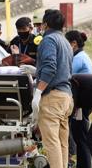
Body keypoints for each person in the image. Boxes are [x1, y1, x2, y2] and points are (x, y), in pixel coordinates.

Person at [32, 9, 74, 168]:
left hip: (53, 98)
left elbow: (50, 67)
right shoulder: (64, 41)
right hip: (66, 97)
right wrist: (36, 71)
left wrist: (38, 92)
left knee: (51, 143)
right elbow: (63, 68)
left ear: (45, 24)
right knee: (62, 142)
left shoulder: (48, 40)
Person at [65, 30, 92, 168]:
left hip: (82, 103)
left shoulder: (79, 58)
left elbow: (65, 75)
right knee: (79, 135)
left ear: (74, 44)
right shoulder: (81, 56)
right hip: (82, 101)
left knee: (81, 137)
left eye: (66, 44)